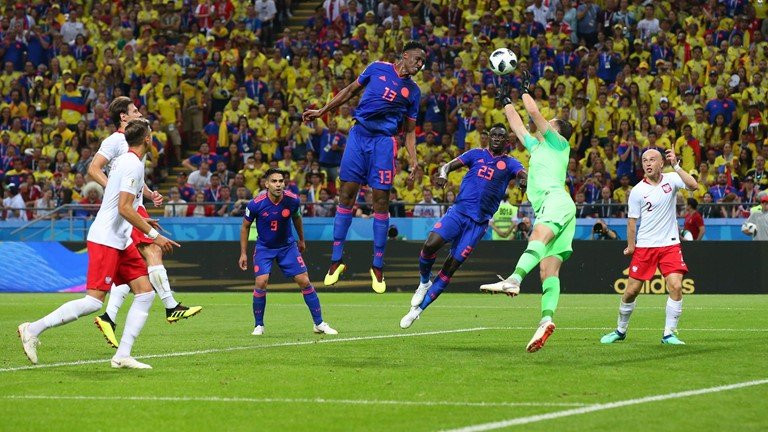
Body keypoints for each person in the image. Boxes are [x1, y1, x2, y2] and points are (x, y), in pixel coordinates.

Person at [18, 119, 180, 369]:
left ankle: (122, 355)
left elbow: (121, 203)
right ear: (147, 139)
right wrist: (153, 235)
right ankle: (32, 329)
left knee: (145, 292)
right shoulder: (132, 165)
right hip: (106, 238)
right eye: (151, 134)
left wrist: (142, 221)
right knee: (93, 302)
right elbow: (124, 207)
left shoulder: (126, 161)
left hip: (120, 239)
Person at [302, 41, 426, 293]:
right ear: (405, 55)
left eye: (423, 62)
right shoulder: (377, 68)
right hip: (359, 136)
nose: (420, 64)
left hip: (384, 142)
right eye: (417, 59)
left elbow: (410, 131)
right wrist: (323, 110)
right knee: (346, 195)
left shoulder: (413, 92)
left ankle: (377, 266)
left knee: (380, 201)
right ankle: (336, 261)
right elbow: (349, 90)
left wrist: (414, 160)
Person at [87, 97, 201, 350]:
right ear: (123, 117)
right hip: (127, 208)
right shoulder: (116, 140)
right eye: (135, 110)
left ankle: (109, 317)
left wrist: (149, 194)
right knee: (153, 250)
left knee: (133, 266)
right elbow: (94, 168)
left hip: (134, 205)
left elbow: (132, 178)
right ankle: (170, 306)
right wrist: (114, 189)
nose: (139, 113)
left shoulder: (133, 143)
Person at [479, 72, 576, 353]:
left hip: (555, 202)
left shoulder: (559, 143)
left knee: (537, 236)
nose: (544, 125)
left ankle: (514, 280)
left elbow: (533, 114)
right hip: (561, 208)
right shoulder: (538, 147)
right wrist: (507, 102)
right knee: (548, 270)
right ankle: (546, 320)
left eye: (550, 123)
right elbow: (520, 127)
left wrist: (524, 91)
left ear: (557, 131)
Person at [400, 124, 526, 329]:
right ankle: (424, 282)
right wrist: (443, 175)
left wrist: (524, 181)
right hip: (458, 212)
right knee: (430, 245)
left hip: (478, 224)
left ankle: (417, 311)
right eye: (493, 135)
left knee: (450, 267)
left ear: (506, 141)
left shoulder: (510, 163)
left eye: (500, 136)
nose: (496, 138)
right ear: (488, 138)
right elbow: (446, 166)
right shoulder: (475, 154)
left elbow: (523, 173)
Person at [600, 148, 698, 346]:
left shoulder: (672, 178)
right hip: (645, 246)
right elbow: (632, 221)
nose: (648, 163)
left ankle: (669, 334)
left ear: (661, 163)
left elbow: (693, 186)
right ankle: (620, 330)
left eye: (652, 160)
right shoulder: (637, 191)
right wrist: (631, 246)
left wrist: (676, 166)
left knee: (676, 286)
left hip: (670, 244)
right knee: (631, 291)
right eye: (645, 160)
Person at [238, 169, 337, 336]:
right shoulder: (255, 204)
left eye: (281, 181)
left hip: (287, 247)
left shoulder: (292, 200)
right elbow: (245, 227)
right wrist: (243, 253)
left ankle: (319, 323)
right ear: (266, 184)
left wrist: (302, 239)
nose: (278, 184)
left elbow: (297, 218)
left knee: (304, 280)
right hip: (265, 248)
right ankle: (259, 325)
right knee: (261, 282)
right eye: (274, 181)